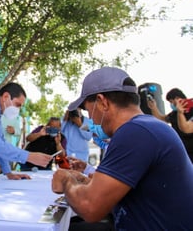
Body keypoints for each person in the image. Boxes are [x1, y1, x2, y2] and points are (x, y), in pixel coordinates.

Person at [52, 66, 193, 230]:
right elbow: (117, 190)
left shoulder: (135, 133)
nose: (90, 118)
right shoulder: (147, 127)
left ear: (102, 102)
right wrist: (83, 179)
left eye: (88, 110)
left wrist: (65, 179)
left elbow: (90, 207)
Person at [148, 87, 193, 162]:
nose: (171, 104)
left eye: (172, 102)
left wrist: (180, 113)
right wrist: (153, 108)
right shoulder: (174, 114)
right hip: (181, 151)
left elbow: (186, 128)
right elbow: (161, 119)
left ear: (178, 98)